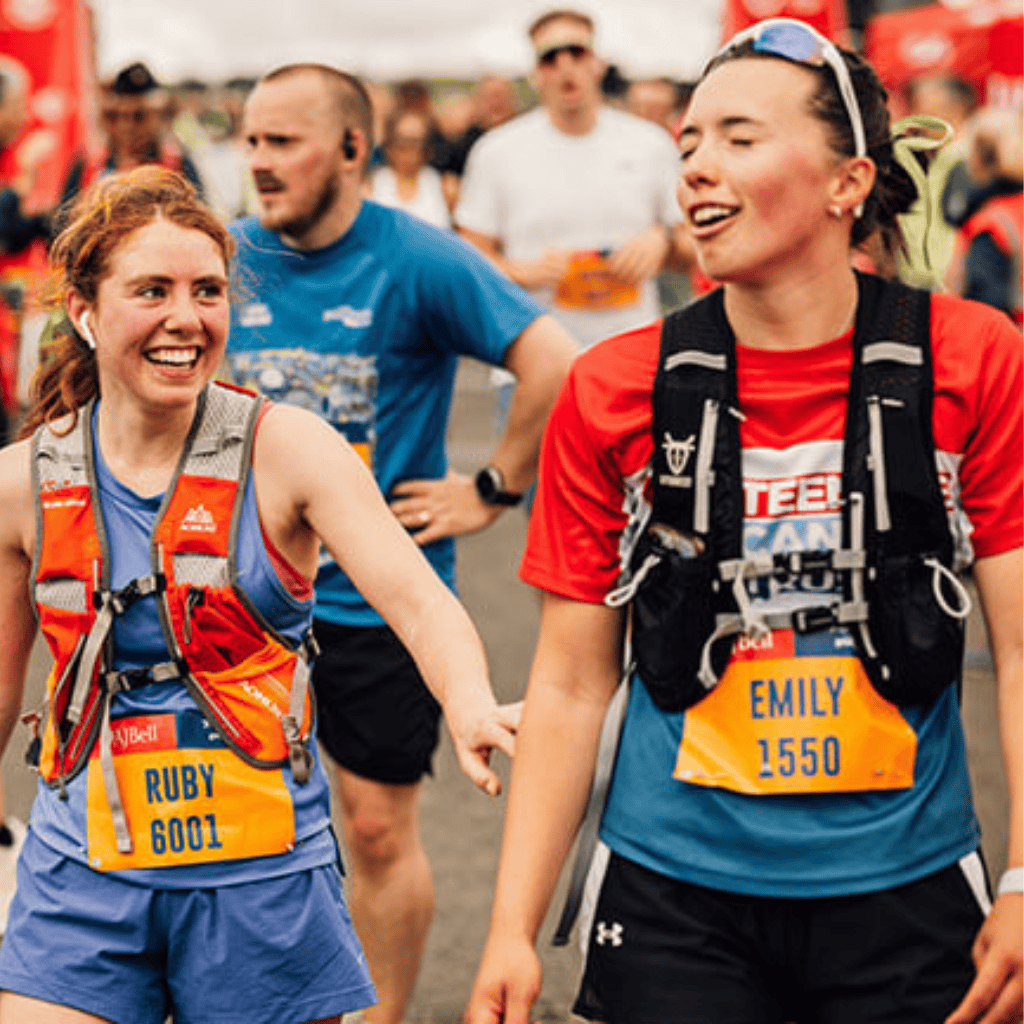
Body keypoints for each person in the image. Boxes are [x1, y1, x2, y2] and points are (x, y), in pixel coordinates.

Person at [466, 18, 1022, 1024]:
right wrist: (511, 925)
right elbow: (568, 680)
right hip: (671, 897)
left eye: (738, 138)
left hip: (907, 890)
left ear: (848, 181)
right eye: (687, 146)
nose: (696, 172)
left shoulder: (973, 358)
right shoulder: (612, 387)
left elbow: (1023, 649)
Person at [0, 164, 521, 1024]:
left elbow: (420, 603)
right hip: (83, 873)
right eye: (152, 290)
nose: (185, 317)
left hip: (262, 882)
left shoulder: (289, 451)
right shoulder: (24, 482)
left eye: (208, 291)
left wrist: (469, 702)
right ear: (86, 313)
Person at [231, 64, 577, 1024]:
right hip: (236, 605)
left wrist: (491, 488)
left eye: (282, 141)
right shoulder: (223, 258)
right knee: (239, 834)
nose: (259, 163)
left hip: (374, 603)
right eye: (251, 140)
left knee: (377, 831)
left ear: (351, 148)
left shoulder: (420, 259)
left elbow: (551, 358)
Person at [455, 9, 689, 426]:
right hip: (533, 366)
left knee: (636, 493)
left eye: (576, 52)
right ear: (534, 73)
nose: (565, 66)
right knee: (533, 493)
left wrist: (661, 240)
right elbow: (468, 258)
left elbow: (694, 245)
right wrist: (524, 271)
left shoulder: (649, 144)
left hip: (632, 360)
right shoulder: (497, 151)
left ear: (597, 62)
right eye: (550, 57)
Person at [59, 63, 205, 210]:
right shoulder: (88, 163)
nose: (125, 126)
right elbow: (63, 222)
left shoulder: (177, 164)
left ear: (158, 117)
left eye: (138, 116)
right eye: (114, 117)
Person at [370, 106, 451, 229]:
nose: (411, 149)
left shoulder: (445, 187)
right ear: (389, 145)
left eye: (418, 141)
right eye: (404, 141)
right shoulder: (371, 186)